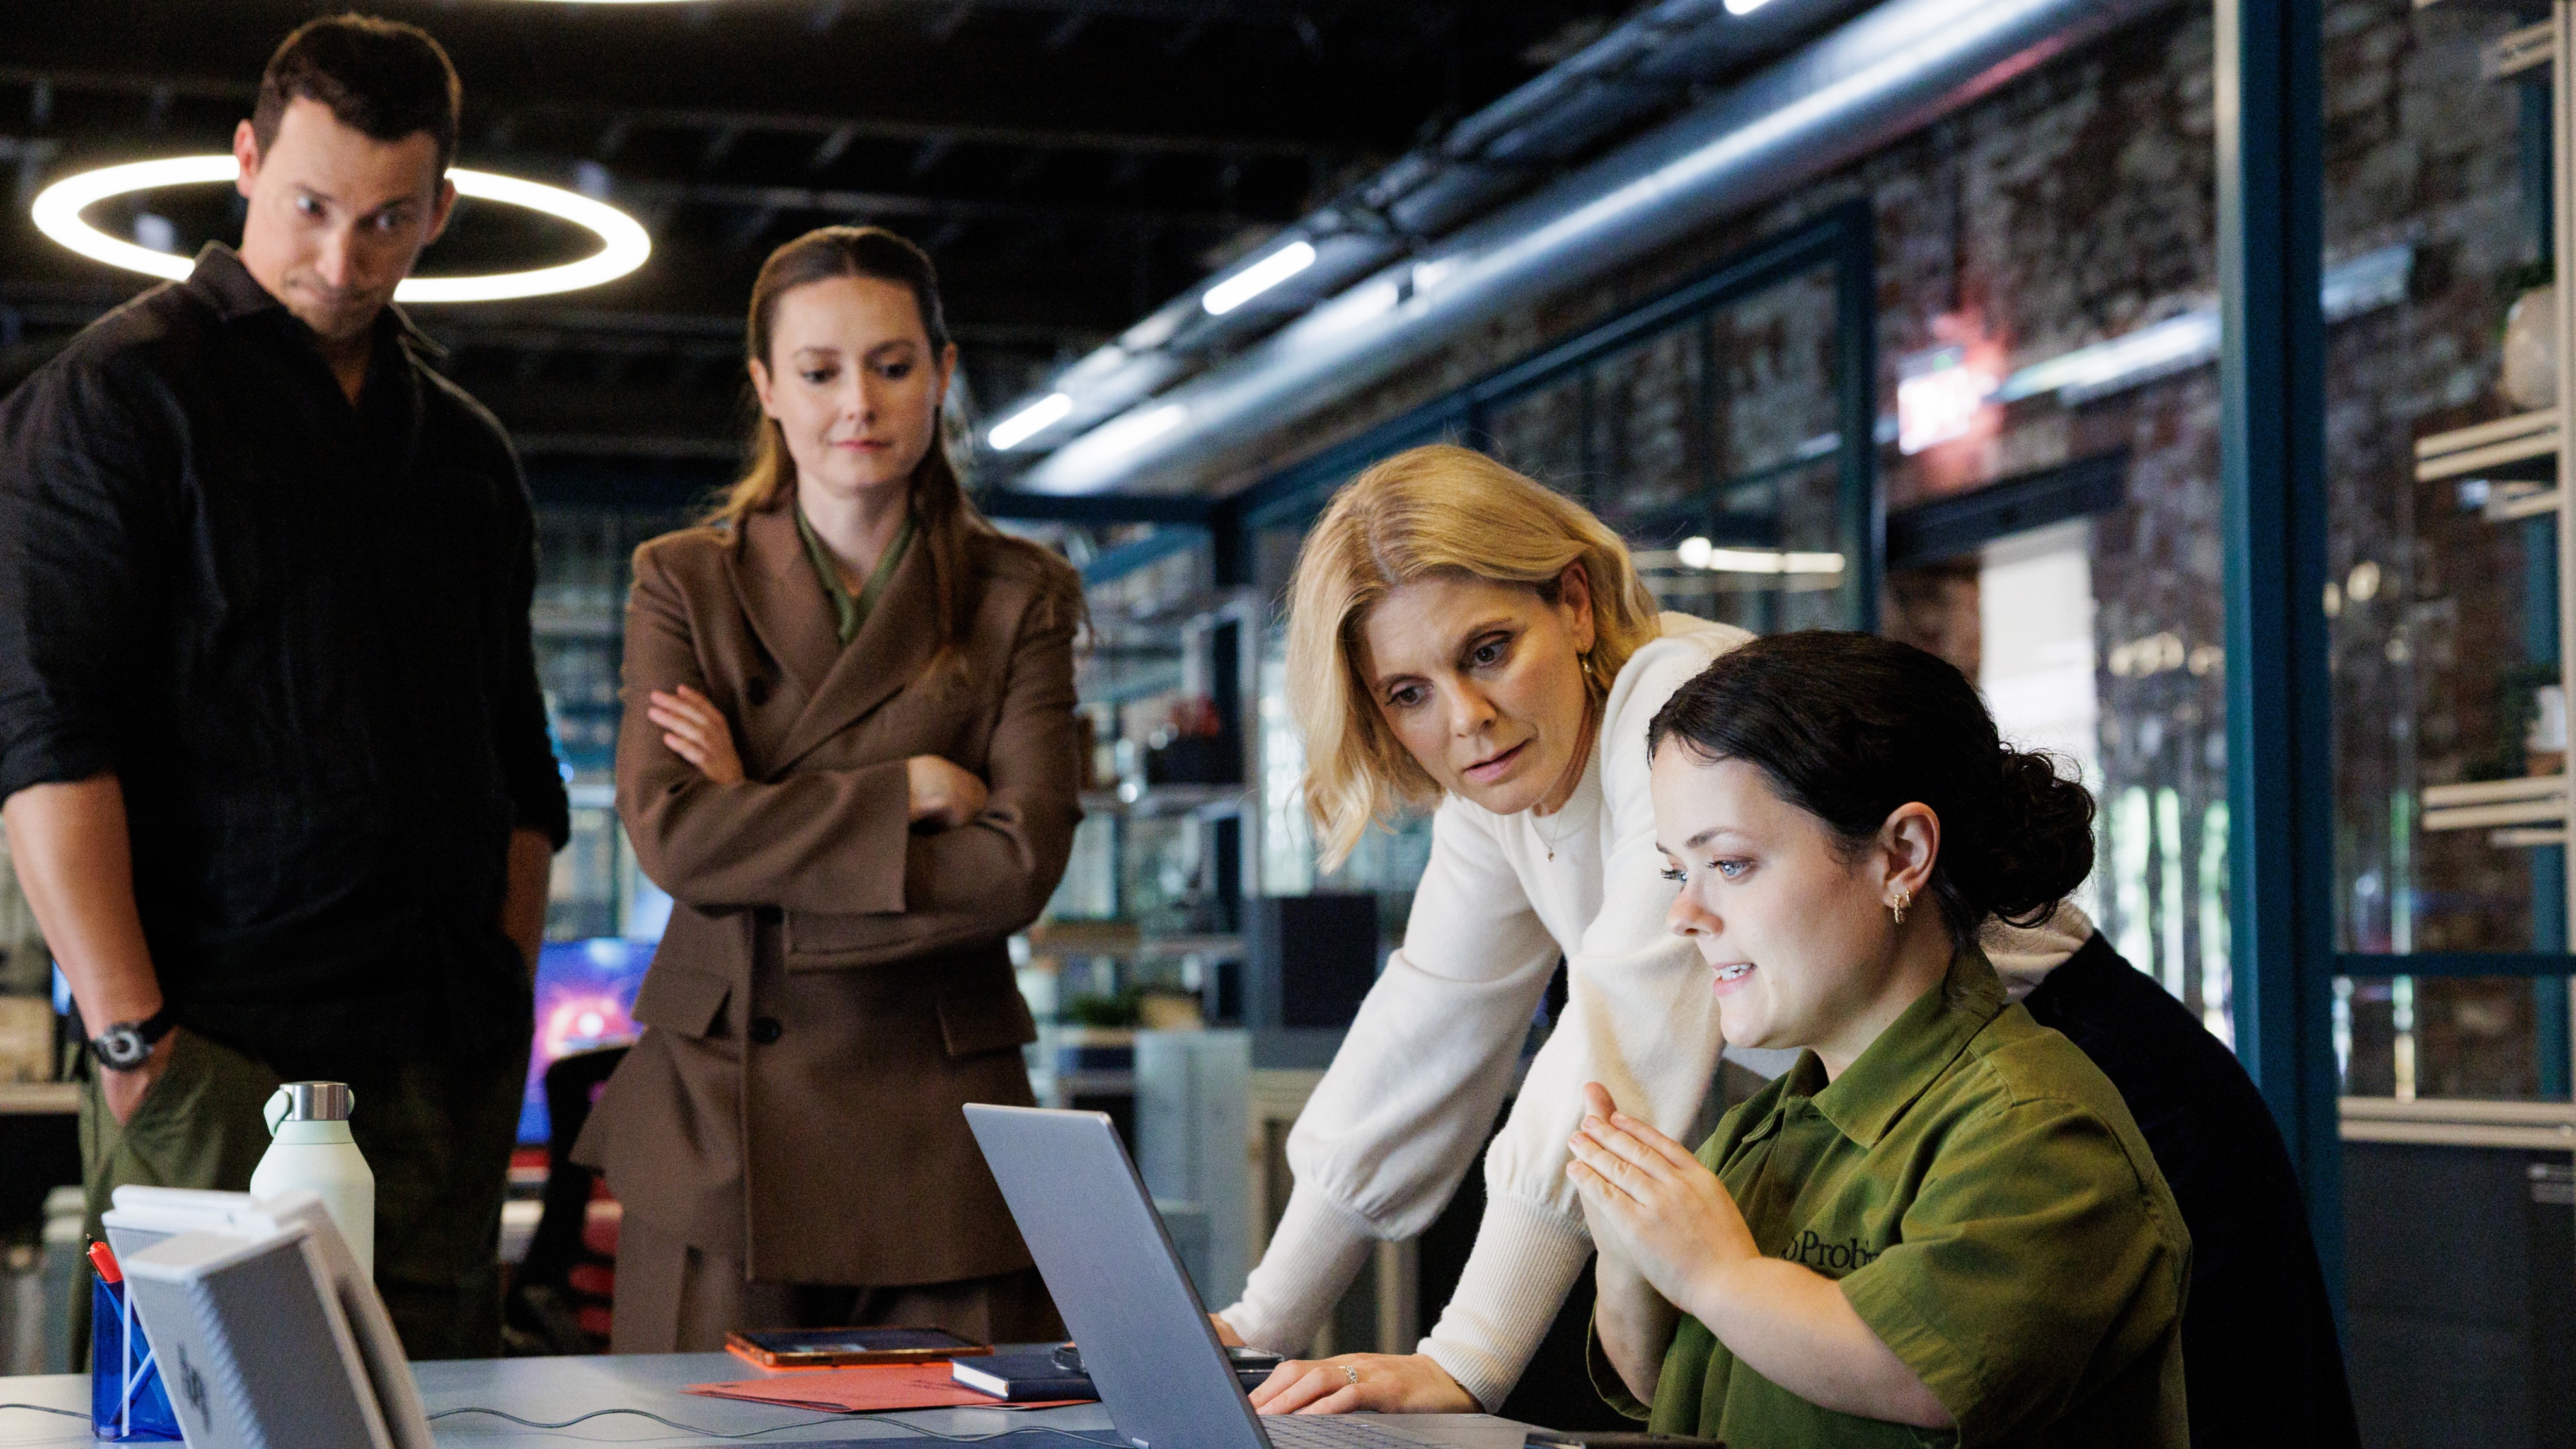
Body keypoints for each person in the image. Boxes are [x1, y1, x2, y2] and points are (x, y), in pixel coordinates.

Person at [0, 16, 566, 1361]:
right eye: (310, 205)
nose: (340, 257)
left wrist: (501, 1001)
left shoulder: (466, 448)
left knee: (443, 1426)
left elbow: (519, 760)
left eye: (384, 220)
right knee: (196, 1416)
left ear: (439, 210)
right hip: (212, 1055)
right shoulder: (117, 398)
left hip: (441, 1055)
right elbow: (45, 743)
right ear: (247, 161)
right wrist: (136, 1041)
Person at [573, 226, 1084, 1352]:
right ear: (766, 387)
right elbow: (673, 838)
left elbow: (1016, 867)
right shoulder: (683, 580)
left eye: (892, 365)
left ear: (942, 376)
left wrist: (756, 819)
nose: (857, 401)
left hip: (941, 1134)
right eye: (818, 371)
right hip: (721, 1129)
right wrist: (903, 790)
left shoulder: (1022, 595)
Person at [1230, 445, 1754, 1416]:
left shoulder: (1686, 703)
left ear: (1577, 603)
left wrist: (1468, 1358)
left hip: (2043, 1066)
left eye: (1487, 651)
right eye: (1408, 693)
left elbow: (1621, 1016)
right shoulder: (1497, 800)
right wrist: (1254, 1329)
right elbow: (1424, 1030)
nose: (1467, 718)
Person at [1571, 630, 2188, 1446]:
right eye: (1673, 873)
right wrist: (1627, 1243)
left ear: (1901, 856)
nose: (1685, 915)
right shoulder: (1760, 1133)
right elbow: (1668, 1384)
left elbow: (1918, 1375)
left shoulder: (2038, 1135)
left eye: (1730, 865)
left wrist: (1716, 1274)